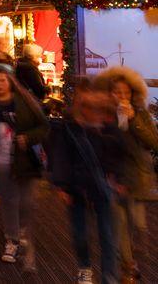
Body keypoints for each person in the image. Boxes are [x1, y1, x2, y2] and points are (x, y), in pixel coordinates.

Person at [48, 78, 127, 284]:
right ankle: (84, 266)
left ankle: (109, 277)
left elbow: (118, 153)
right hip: (77, 188)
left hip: (104, 188)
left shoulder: (108, 125)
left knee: (108, 237)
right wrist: (62, 185)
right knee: (80, 235)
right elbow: (61, 155)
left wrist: (118, 178)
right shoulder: (69, 125)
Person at [0, 62, 49, 271]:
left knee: (26, 201)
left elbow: (44, 125)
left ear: (9, 81)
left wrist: (28, 137)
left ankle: (23, 230)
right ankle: (12, 239)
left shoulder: (24, 101)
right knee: (8, 200)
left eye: (2, 80)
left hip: (24, 158)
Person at [93, 67, 158, 282]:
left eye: (126, 92)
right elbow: (98, 147)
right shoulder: (103, 116)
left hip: (136, 178)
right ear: (108, 93)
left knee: (138, 226)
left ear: (133, 93)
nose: (122, 97)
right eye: (117, 92)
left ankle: (132, 259)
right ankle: (128, 267)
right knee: (120, 225)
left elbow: (153, 142)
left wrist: (133, 121)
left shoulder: (141, 114)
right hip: (113, 179)